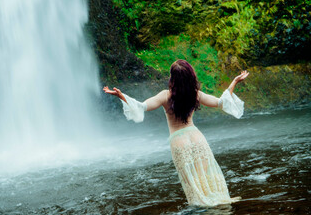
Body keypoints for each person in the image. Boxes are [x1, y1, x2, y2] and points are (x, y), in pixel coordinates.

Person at [103, 59, 249, 206]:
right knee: (207, 178)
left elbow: (141, 107)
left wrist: (121, 96)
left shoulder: (165, 96)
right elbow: (222, 102)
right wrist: (234, 81)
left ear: (172, 78)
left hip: (179, 142)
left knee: (193, 185)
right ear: (190, 77)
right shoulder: (195, 94)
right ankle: (220, 206)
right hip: (197, 138)